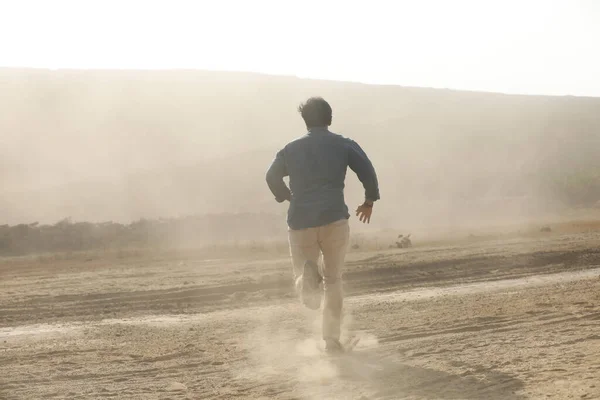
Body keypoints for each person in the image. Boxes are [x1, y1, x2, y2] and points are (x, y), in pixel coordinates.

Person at [265, 97, 380, 353]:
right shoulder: (343, 144)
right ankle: (331, 340)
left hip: (300, 220)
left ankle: (305, 281)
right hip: (334, 219)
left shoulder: (290, 149)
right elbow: (367, 170)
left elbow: (271, 175)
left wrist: (286, 195)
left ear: (305, 120)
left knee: (302, 273)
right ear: (330, 118)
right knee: (333, 280)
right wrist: (369, 200)